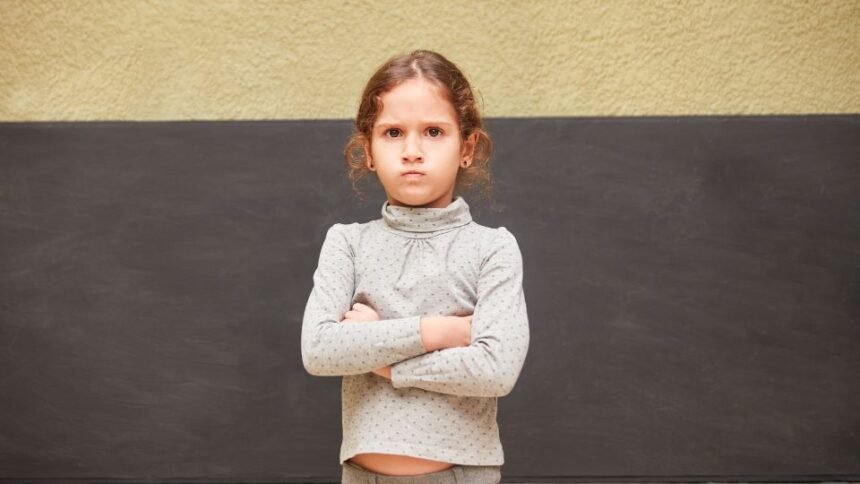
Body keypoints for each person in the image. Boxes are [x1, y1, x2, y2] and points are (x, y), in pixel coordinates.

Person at [301, 49, 530, 484]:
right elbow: (319, 349)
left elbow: (496, 369)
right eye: (392, 133)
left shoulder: (492, 248)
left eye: (433, 132)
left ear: (467, 147)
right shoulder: (347, 243)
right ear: (367, 151)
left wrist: (383, 362)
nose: (412, 151)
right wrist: (437, 331)